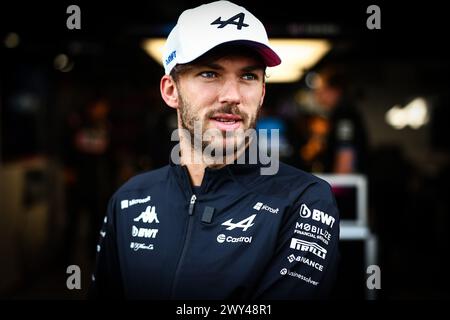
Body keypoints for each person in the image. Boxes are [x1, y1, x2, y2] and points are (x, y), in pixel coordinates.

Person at [89, 0, 339, 299]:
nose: (232, 95)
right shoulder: (129, 200)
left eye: (248, 76)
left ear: (261, 93)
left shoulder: (303, 200)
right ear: (171, 91)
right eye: (210, 73)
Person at [313, 66, 369, 173]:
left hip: (345, 187)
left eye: (322, 89)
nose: (318, 95)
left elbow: (345, 159)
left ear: (335, 90)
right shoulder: (342, 115)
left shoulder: (345, 117)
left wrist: (335, 188)